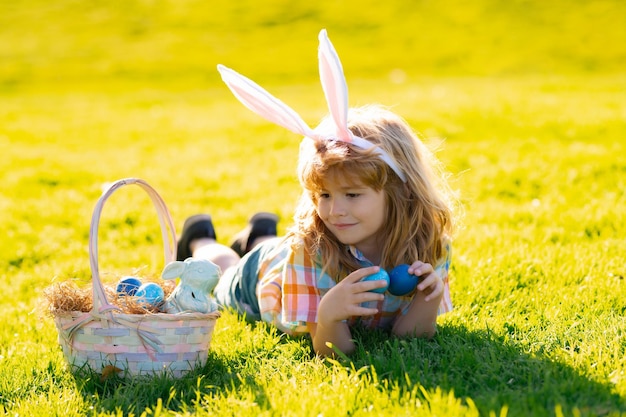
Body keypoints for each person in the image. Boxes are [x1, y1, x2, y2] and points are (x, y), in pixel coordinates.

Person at [176, 30, 458, 357]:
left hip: (284, 259)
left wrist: (428, 298)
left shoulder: (428, 243)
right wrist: (327, 314)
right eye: (324, 195)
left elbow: (408, 342)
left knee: (273, 247)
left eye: (352, 195)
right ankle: (200, 237)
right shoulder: (310, 249)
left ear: (400, 190)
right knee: (223, 270)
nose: (335, 210)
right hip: (260, 280)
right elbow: (330, 352)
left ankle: (260, 235)